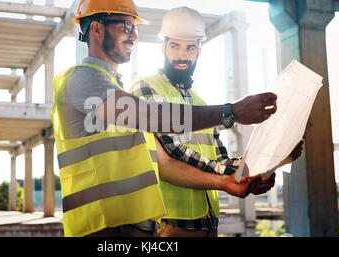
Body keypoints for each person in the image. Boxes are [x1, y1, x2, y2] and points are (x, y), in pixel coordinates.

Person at [51, 0, 279, 237]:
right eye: (126, 26)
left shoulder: (119, 93)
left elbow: (165, 164)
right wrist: (230, 112)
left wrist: (227, 182)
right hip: (99, 230)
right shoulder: (82, 80)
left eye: (135, 28)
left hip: (137, 231)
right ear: (96, 28)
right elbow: (152, 116)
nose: (134, 36)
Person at [130, 6, 303, 237]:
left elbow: (219, 161)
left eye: (190, 47)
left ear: (199, 51)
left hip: (208, 225)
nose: (182, 55)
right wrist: (232, 177)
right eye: (174, 46)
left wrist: (270, 161)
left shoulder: (200, 102)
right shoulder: (145, 87)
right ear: (163, 48)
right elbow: (173, 153)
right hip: (169, 227)